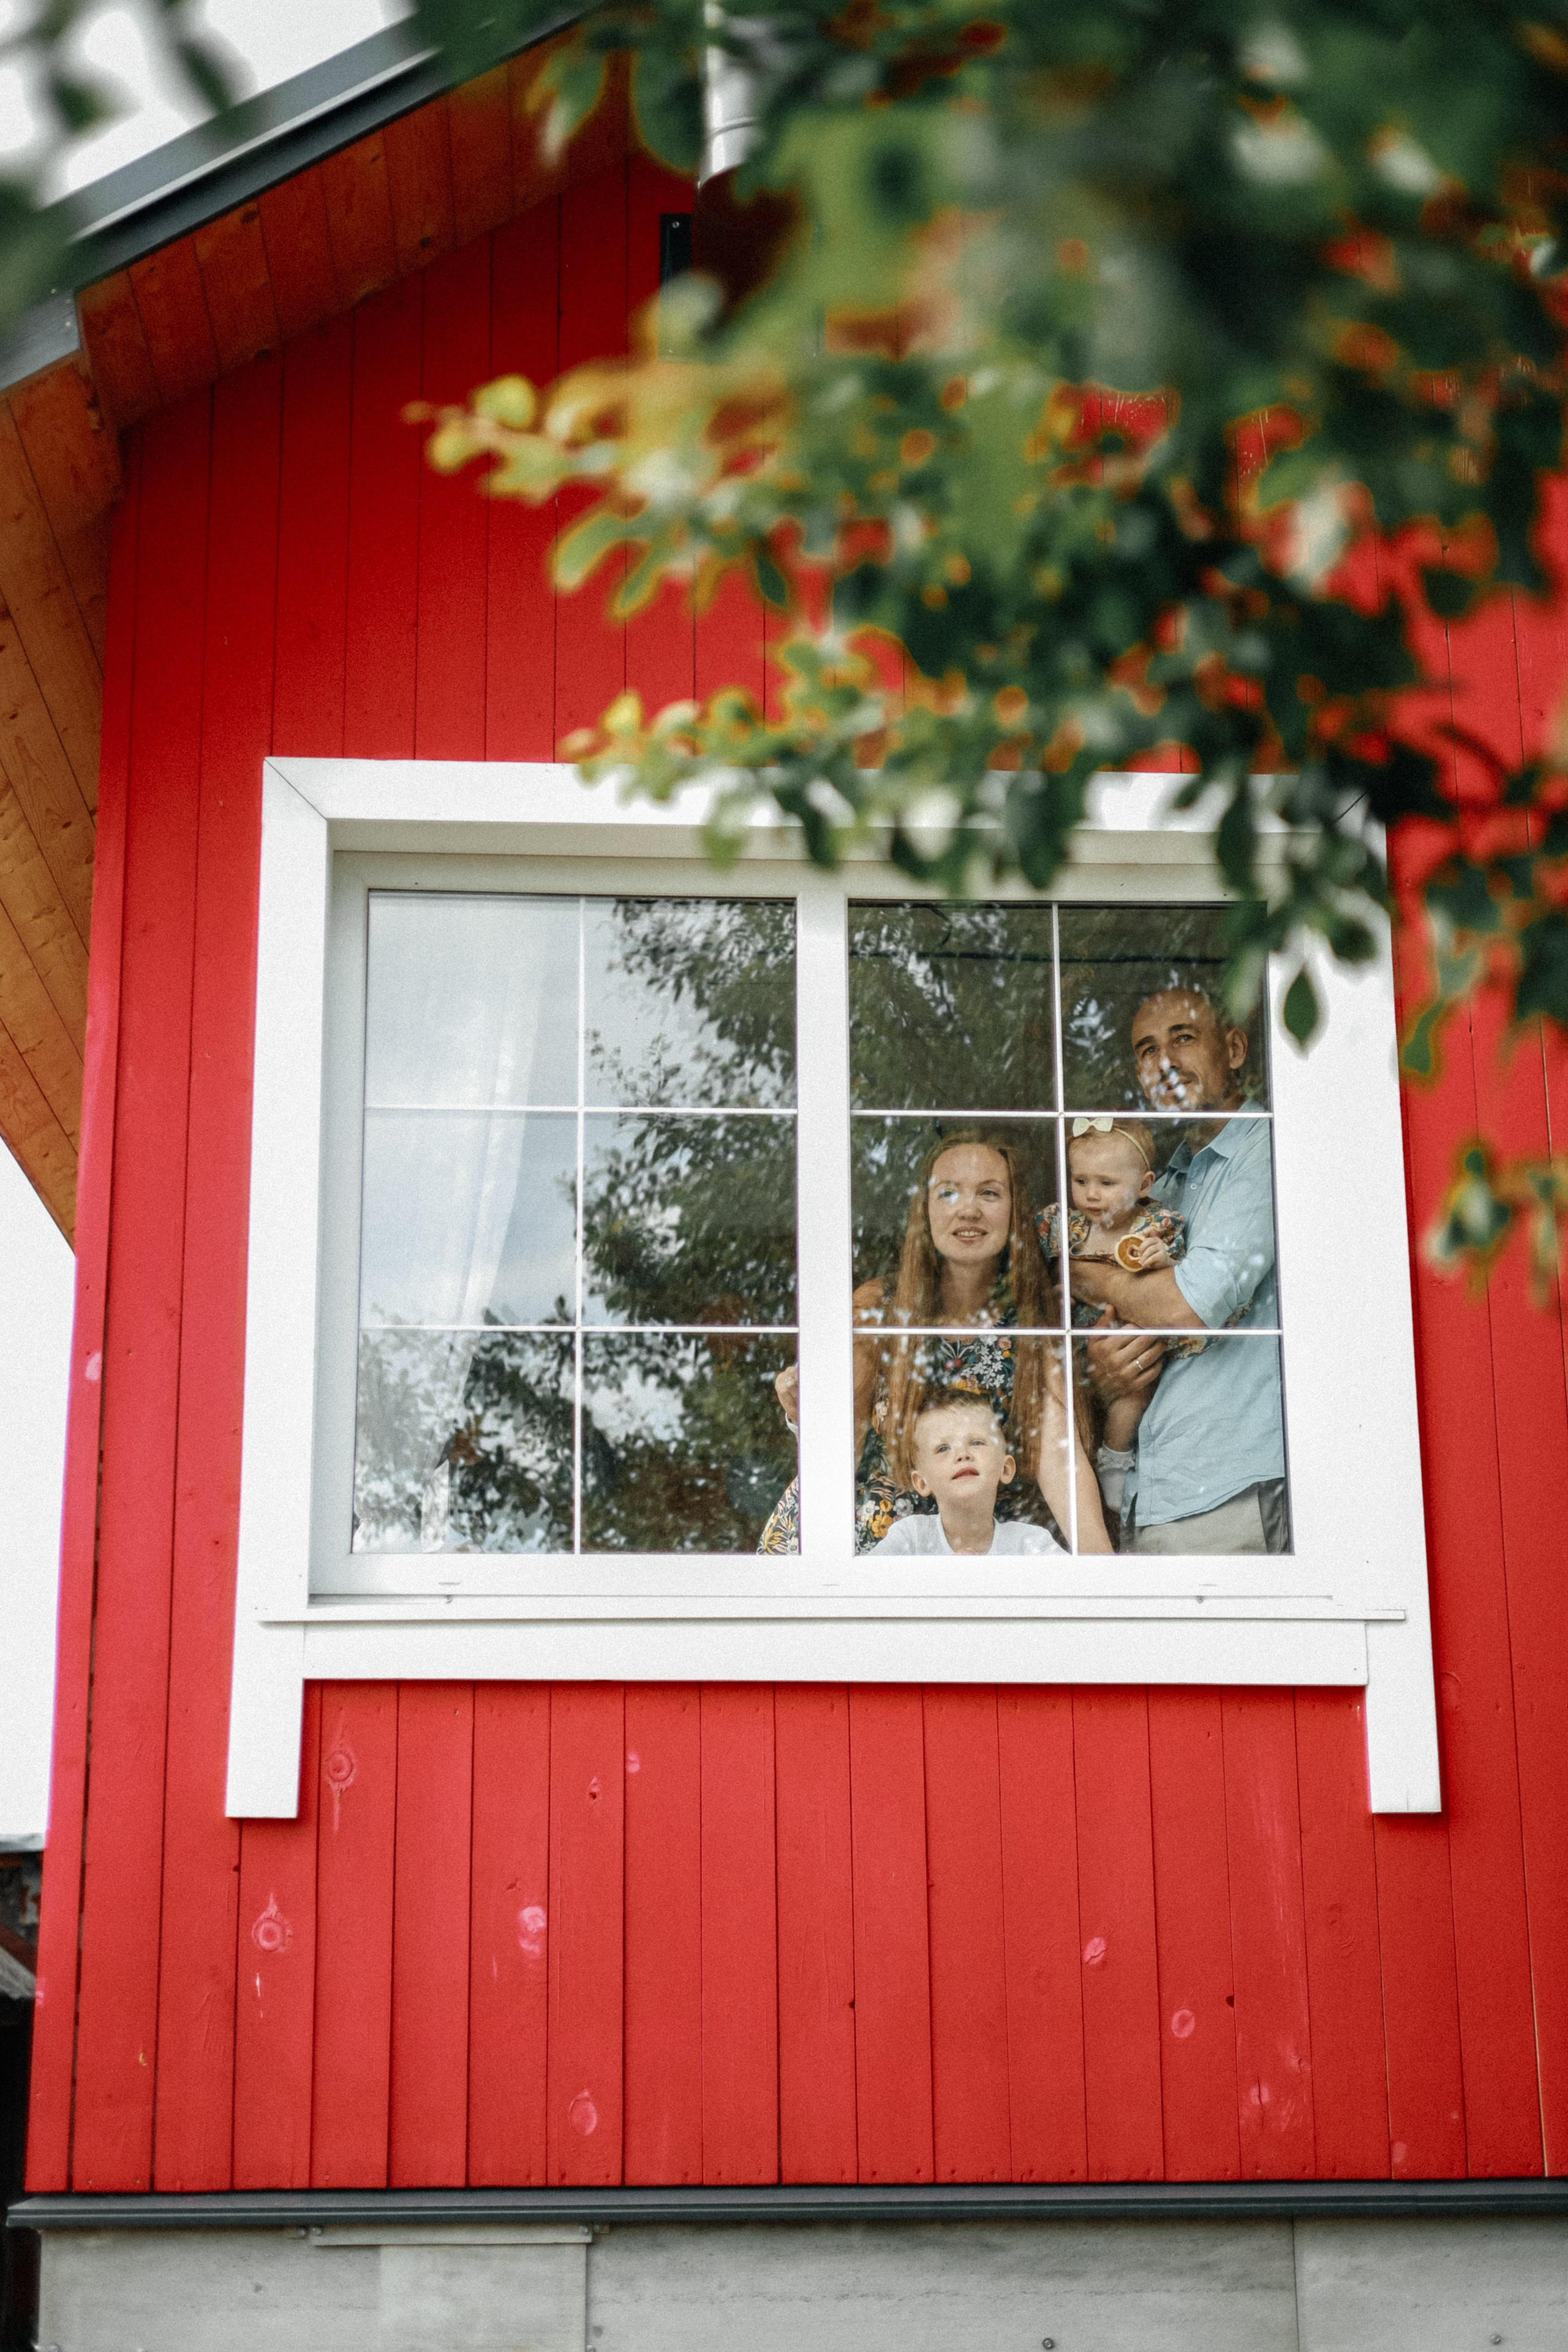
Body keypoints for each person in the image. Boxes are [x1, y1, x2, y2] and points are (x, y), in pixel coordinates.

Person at [759, 1131, 1111, 1553]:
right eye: (948, 1193)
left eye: (989, 1193)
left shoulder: (1033, 1324)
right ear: (925, 1212)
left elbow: (1061, 1461)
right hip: (861, 1548)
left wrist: (1104, 1575)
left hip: (970, 1556)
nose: (968, 1210)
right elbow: (840, 1446)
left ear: (1014, 1211)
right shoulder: (879, 1308)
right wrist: (820, 1573)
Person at [1072, 987, 1287, 1554]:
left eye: (1183, 1039)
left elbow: (1187, 1305)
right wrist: (1106, 1362)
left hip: (1231, 1485)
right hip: (1154, 1488)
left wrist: (1098, 1279)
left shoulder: (1269, 1148)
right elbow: (1077, 1283)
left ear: (1235, 1050)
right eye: (1146, 1050)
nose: (1163, 1063)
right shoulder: (1163, 1185)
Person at [867, 1390, 1063, 1555]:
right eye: (943, 1448)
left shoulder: (1031, 1544)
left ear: (1006, 1469)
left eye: (977, 1442)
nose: (963, 1454)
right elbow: (866, 1589)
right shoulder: (910, 1539)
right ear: (922, 1483)